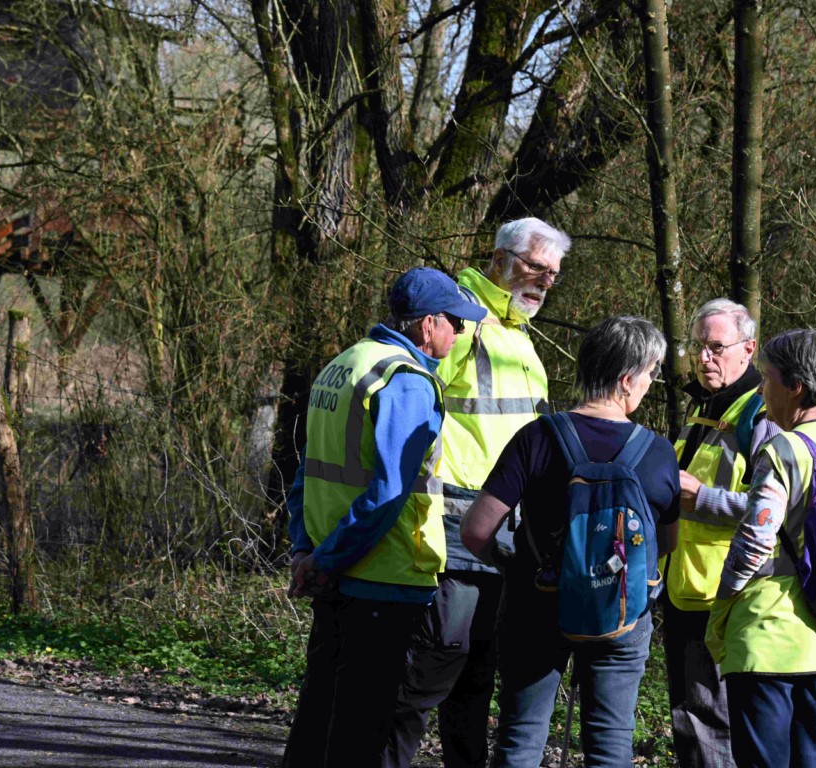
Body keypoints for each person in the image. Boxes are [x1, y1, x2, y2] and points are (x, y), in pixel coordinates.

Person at [280, 267, 488, 768]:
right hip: (384, 575)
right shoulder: (407, 382)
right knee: (361, 731)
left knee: (317, 718)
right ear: (428, 324)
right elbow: (388, 494)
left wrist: (306, 550)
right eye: (456, 323)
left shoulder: (344, 364)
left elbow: (307, 473)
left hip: (334, 569)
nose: (460, 334)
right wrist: (325, 559)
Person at [386, 218, 571, 768]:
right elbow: (414, 409)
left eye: (553, 274)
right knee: (435, 663)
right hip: (452, 525)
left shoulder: (519, 333)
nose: (545, 282)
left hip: (505, 531)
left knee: (476, 675)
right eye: (536, 268)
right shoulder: (462, 320)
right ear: (500, 259)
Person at [459, 315, 681, 767]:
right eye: (649, 373)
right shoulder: (658, 452)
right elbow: (667, 543)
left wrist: (510, 563)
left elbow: (475, 530)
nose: (650, 383)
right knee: (610, 743)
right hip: (620, 612)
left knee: (520, 736)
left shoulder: (537, 437)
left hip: (535, 603)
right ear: (626, 379)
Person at [706, 328, 816, 768]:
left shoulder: (782, 450)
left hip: (767, 638)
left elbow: (755, 539)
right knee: (810, 756)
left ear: (795, 387)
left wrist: (723, 603)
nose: (760, 389)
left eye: (767, 378)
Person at [663, 299, 779, 768]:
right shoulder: (702, 406)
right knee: (689, 718)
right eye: (697, 347)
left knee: (713, 720)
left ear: (748, 349)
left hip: (730, 597)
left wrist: (703, 498)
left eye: (716, 347)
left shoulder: (761, 415)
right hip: (683, 589)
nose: (703, 357)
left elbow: (776, 513)